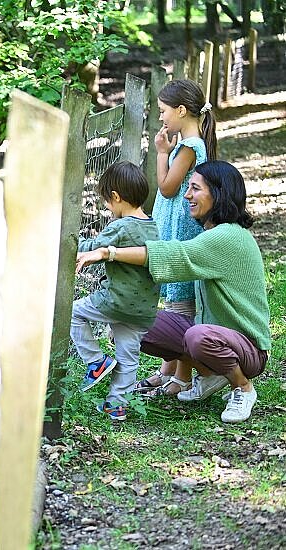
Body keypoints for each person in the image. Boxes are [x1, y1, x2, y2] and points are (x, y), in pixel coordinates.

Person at [76, 161, 270, 424]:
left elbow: (174, 255)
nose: (187, 195)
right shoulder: (212, 233)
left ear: (218, 194)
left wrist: (108, 252)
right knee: (140, 320)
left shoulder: (228, 237)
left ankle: (242, 387)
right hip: (216, 336)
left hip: (248, 349)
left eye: (195, 188)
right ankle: (210, 374)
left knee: (198, 336)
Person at [137, 79, 218, 398]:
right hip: (176, 229)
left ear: (181, 110)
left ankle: (182, 375)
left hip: (180, 232)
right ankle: (168, 369)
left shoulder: (189, 146)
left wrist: (161, 153)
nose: (161, 117)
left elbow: (168, 188)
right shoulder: (191, 144)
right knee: (175, 302)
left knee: (180, 305)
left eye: (163, 111)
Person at [71, 161, 159, 421]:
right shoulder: (153, 226)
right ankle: (116, 406)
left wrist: (70, 241)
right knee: (128, 356)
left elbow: (93, 248)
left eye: (107, 202)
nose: (108, 207)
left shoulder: (121, 226)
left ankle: (96, 362)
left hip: (115, 300)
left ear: (116, 197)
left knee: (73, 313)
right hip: (143, 309)